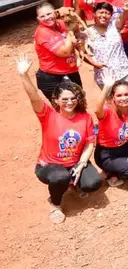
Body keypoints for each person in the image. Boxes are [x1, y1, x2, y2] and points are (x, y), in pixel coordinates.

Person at [18, 55, 102, 224]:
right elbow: (34, 96)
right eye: (64, 99)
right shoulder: (48, 115)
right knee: (60, 177)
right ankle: (55, 203)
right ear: (56, 100)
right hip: (49, 166)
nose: (69, 102)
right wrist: (23, 75)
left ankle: (73, 183)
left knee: (92, 183)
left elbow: (89, 142)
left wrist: (82, 163)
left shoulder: (85, 118)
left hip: (74, 163)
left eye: (73, 98)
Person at [33, 3, 82, 97]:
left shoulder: (61, 23)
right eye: (42, 16)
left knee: (80, 101)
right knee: (62, 105)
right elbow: (65, 52)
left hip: (71, 71)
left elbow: (76, 32)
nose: (47, 18)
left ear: (55, 12)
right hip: (52, 76)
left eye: (49, 14)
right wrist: (70, 32)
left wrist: (77, 41)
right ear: (38, 19)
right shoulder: (43, 33)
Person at [86, 2, 128, 88]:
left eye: (107, 13)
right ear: (94, 14)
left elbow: (122, 17)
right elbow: (83, 53)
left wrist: (126, 10)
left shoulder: (115, 26)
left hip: (124, 73)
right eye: (101, 12)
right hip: (104, 77)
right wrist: (94, 63)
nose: (104, 15)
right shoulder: (87, 33)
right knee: (109, 97)